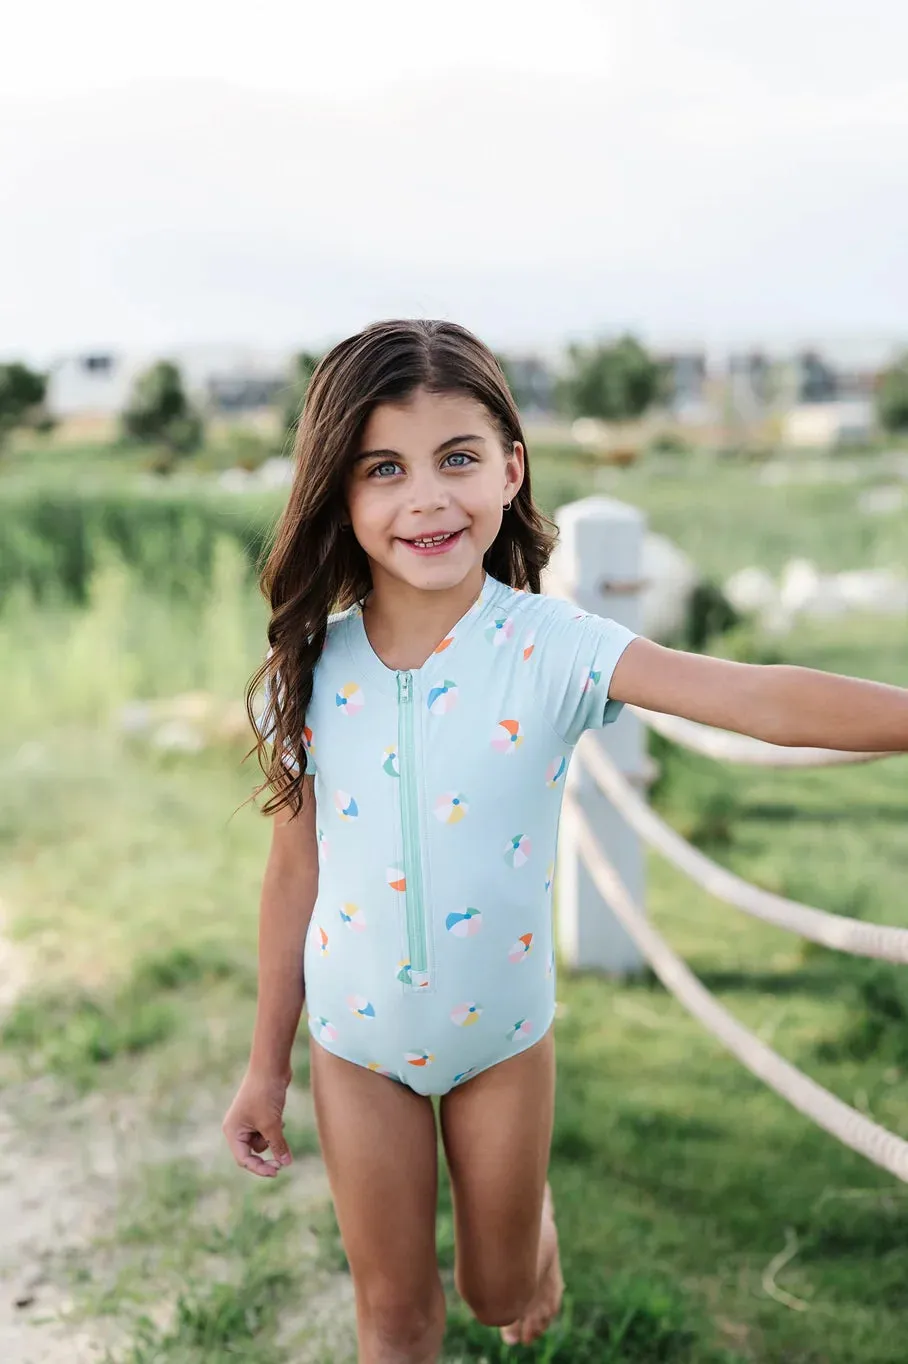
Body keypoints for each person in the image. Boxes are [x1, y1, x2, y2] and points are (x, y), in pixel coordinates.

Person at [222, 318, 908, 1364]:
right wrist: (264, 1065)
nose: (426, 497)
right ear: (339, 491)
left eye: (457, 458)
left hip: (501, 1042)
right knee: (393, 1320)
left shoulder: (552, 646)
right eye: (383, 468)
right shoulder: (309, 666)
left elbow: (752, 696)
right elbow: (293, 871)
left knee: (498, 1294)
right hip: (354, 1046)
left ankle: (527, 1230)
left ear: (510, 466)